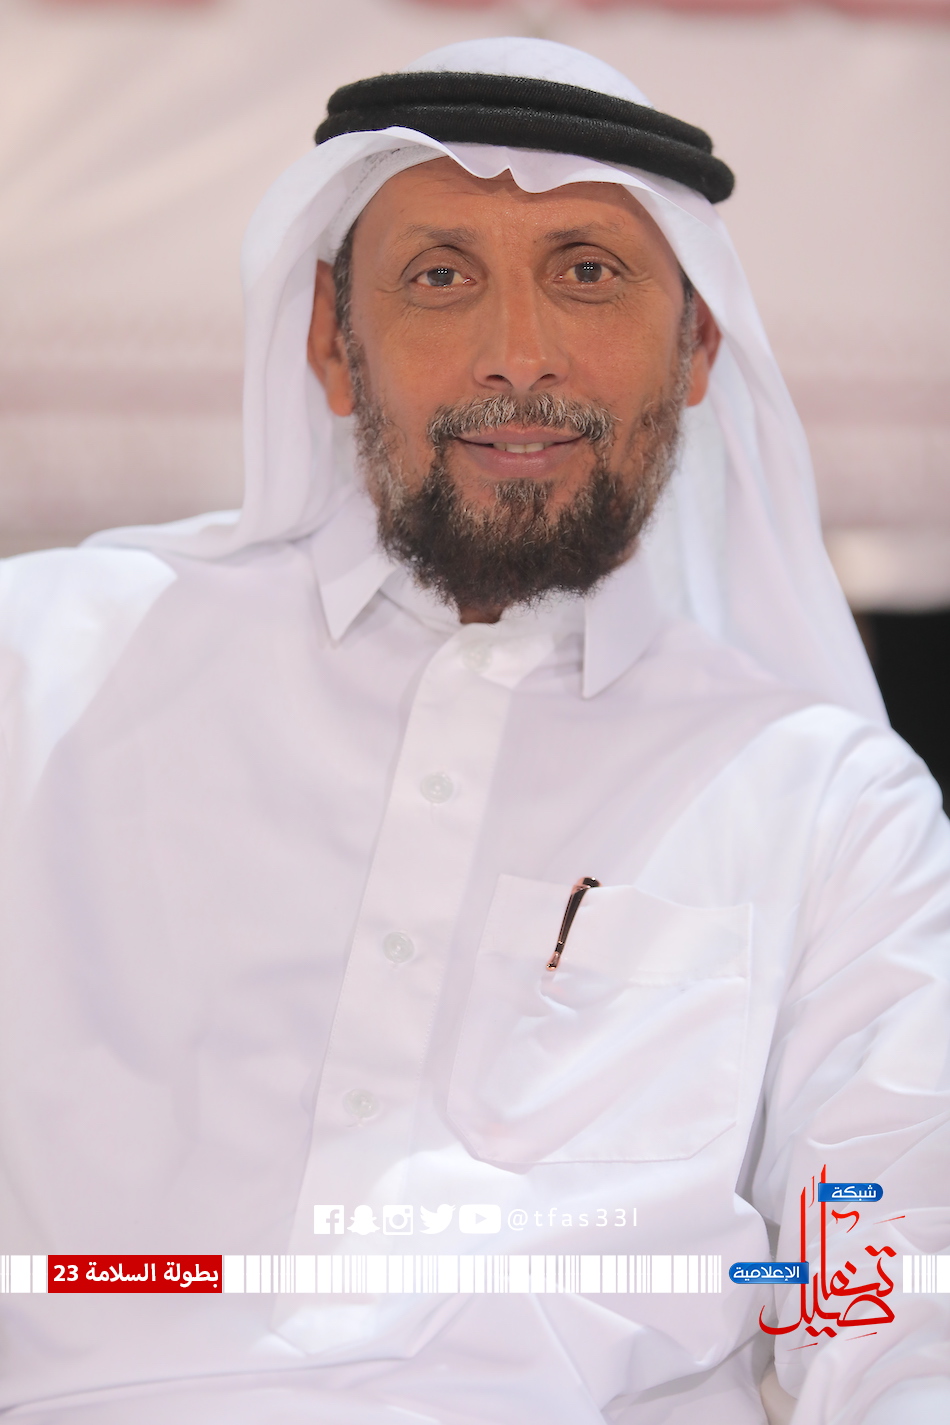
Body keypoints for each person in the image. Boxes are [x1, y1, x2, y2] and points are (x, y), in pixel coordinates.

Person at [0, 35, 947, 1425]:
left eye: (588, 271)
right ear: (331, 344)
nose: (517, 355)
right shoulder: (38, 669)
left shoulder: (823, 803)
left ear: (695, 348)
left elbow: (890, 1269)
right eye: (440, 277)